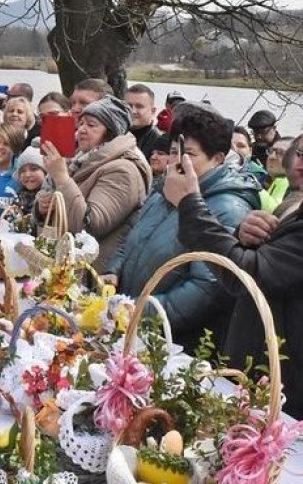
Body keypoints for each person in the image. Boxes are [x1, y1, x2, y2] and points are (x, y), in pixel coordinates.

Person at [162, 134, 303, 419]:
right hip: (253, 371)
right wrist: (243, 234)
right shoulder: (293, 204)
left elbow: (248, 276)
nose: (301, 163)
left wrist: (189, 204)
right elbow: (267, 263)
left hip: (281, 390)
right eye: (300, 153)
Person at [104, 103, 260, 352]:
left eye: (189, 154)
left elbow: (205, 289)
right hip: (127, 326)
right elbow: (131, 239)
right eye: (174, 151)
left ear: (218, 159)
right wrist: (113, 271)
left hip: (173, 344)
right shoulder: (163, 190)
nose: (178, 162)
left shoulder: (228, 207)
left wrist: (135, 313)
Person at [36, 95, 151, 272]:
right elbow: (67, 204)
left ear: (111, 132)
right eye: (81, 123)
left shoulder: (123, 170)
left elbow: (89, 226)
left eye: (91, 125)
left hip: (92, 274)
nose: (81, 129)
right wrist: (43, 207)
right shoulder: (81, 159)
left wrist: (62, 177)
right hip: (66, 267)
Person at [124, 83, 164, 159]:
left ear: (153, 111)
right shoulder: (115, 135)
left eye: (139, 106)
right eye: (129, 106)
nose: (133, 111)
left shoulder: (159, 143)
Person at [14, 141, 46, 216]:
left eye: (34, 169)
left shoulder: (49, 195)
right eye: (22, 171)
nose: (27, 174)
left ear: (45, 172)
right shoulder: (19, 195)